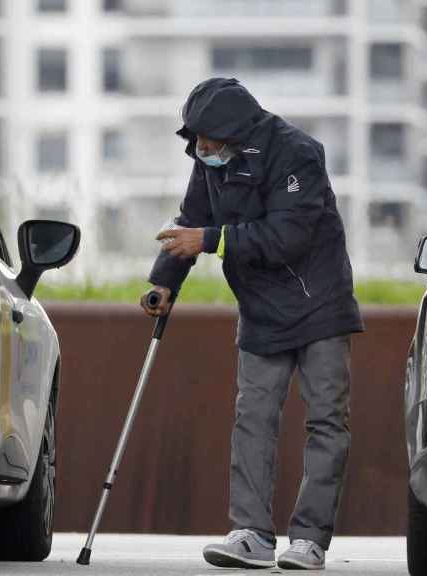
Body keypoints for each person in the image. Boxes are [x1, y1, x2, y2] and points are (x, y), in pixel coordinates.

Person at [142, 77, 363, 570]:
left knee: (326, 419)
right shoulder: (208, 162)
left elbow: (287, 236)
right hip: (261, 308)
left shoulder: (298, 154)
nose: (200, 148)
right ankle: (251, 535)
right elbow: (191, 221)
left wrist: (209, 240)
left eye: (208, 139)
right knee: (253, 417)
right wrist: (165, 283)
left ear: (236, 132)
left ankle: (308, 540)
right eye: (194, 139)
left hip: (318, 304)